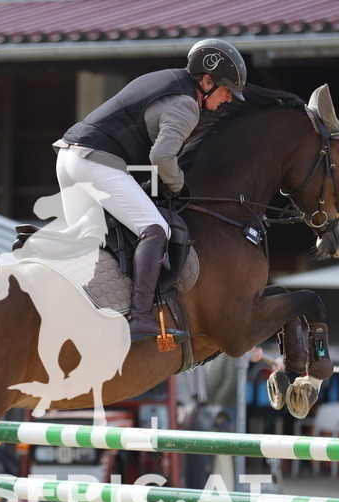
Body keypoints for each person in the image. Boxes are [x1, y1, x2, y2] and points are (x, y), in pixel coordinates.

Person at [53, 39, 247, 344]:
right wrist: (178, 184)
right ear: (207, 81)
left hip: (69, 158)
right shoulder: (186, 104)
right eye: (226, 90)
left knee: (87, 244)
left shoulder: (166, 79)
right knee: (156, 229)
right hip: (96, 162)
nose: (228, 99)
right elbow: (162, 158)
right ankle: (141, 317)